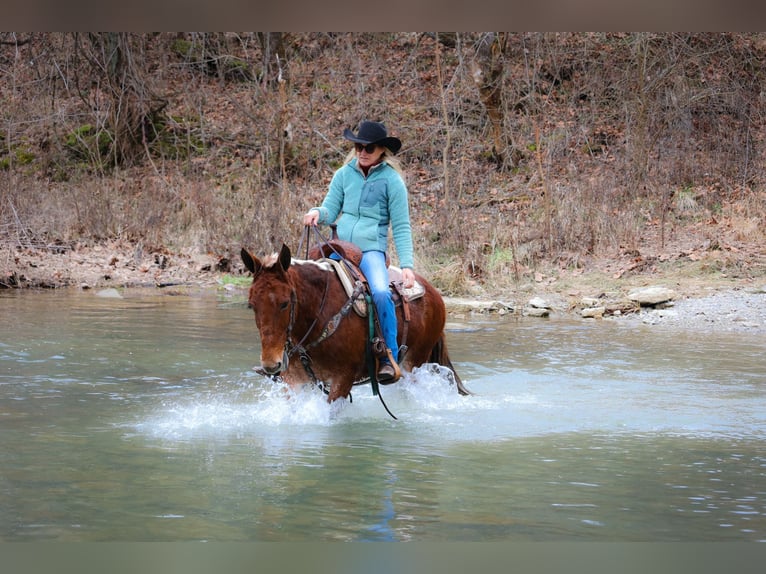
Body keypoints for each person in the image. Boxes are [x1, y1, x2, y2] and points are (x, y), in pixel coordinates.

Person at [303, 120, 415, 383]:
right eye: (358, 146)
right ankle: (296, 353)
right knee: (306, 284)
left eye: (369, 147)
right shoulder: (343, 175)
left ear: (381, 151)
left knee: (379, 292)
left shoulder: (392, 182)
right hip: (339, 246)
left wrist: (407, 265)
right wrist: (318, 212)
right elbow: (331, 207)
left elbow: (401, 225)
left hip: (371, 251)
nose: (362, 152)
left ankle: (388, 357)